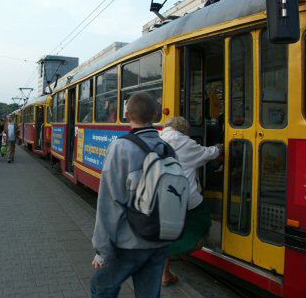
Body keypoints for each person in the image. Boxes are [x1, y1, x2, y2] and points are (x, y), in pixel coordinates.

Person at [91, 92, 170, 298]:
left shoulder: (121, 147)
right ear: (156, 114)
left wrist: (102, 250)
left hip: (129, 243)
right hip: (160, 241)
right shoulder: (167, 148)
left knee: (101, 288)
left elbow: (109, 203)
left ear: (126, 115)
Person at [160, 116, 222, 286]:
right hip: (185, 199)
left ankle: (165, 274)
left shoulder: (157, 140)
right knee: (202, 220)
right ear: (183, 131)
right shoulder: (186, 143)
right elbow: (208, 153)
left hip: (160, 199)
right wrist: (218, 148)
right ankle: (187, 248)